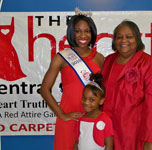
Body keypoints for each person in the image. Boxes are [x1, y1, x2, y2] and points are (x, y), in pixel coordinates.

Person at [40, 11, 104, 150]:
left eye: (87, 31)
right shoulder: (62, 57)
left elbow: (103, 91)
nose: (83, 36)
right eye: (78, 31)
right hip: (69, 117)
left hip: (92, 117)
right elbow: (44, 89)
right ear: (71, 33)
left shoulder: (99, 58)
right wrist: (61, 114)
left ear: (92, 33)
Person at [101, 20, 152, 150]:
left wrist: (149, 139)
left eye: (129, 37)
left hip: (136, 134)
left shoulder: (151, 64)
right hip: (109, 132)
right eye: (119, 37)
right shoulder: (108, 61)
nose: (123, 40)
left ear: (137, 39)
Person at [73, 73, 114, 150]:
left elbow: (109, 146)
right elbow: (77, 142)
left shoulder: (105, 119)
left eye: (91, 100)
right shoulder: (81, 118)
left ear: (101, 101)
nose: (86, 102)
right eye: (84, 98)